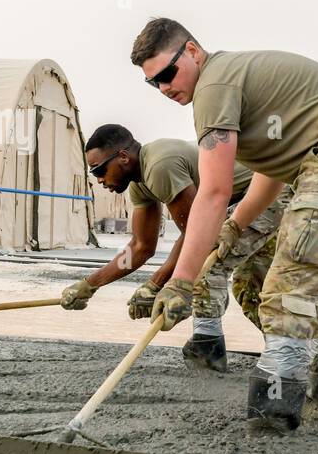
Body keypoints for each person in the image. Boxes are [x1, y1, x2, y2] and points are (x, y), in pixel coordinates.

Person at [130, 18, 318, 429]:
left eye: (167, 74)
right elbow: (271, 171)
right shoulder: (237, 81)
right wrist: (235, 228)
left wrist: (181, 281)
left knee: (285, 285)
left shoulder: (213, 86)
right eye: (153, 83)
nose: (164, 88)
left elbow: (214, 191)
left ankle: (273, 413)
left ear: (193, 51)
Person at [60, 124, 288, 373]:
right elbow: (140, 246)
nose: (100, 180)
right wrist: (90, 284)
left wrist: (156, 284)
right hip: (239, 205)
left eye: (99, 170)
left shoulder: (160, 165)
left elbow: (196, 234)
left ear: (123, 157)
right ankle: (291, 354)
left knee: (204, 263)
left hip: (269, 191)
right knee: (254, 286)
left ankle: (206, 350)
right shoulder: (140, 184)